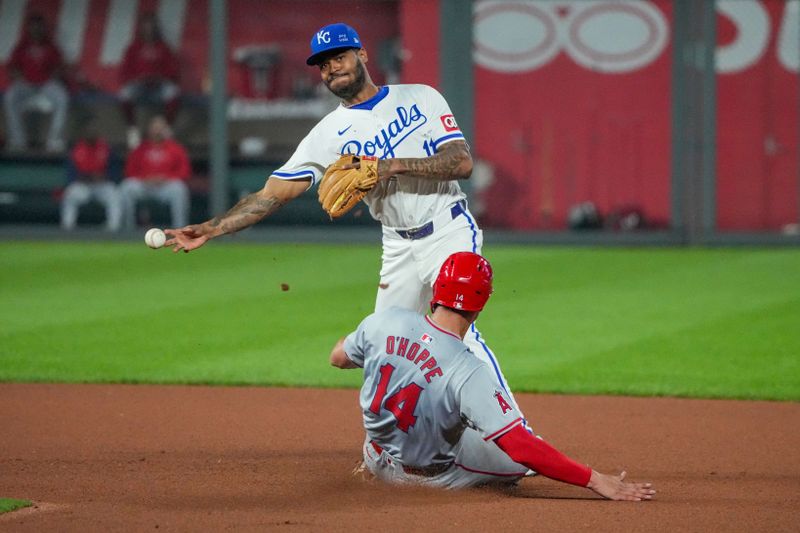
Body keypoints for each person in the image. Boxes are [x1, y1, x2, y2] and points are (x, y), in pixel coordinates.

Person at [164, 22, 525, 421]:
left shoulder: (421, 97)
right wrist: (212, 228)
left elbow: (462, 162)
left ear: (362, 55)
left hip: (447, 227)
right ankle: (399, 445)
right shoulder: (327, 135)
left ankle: (513, 432)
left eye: (339, 57)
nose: (332, 68)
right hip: (397, 245)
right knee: (388, 348)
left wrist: (386, 166)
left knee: (457, 333)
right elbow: (270, 195)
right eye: (323, 65)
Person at [329, 252, 656, 499]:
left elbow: (339, 357)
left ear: (436, 291)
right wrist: (599, 481)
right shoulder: (468, 370)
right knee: (521, 461)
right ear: (481, 304)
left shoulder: (384, 322)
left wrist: (383, 348)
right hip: (425, 478)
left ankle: (373, 463)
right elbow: (521, 448)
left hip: (377, 456)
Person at [3, 14, 69, 152]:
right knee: (10, 97)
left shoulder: (51, 46)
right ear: (29, 29)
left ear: (43, 29)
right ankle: (18, 141)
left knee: (62, 97)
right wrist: (18, 76)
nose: (37, 29)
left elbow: (59, 66)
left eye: (39, 27)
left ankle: (54, 141)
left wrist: (55, 75)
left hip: (46, 84)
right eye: (33, 27)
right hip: (26, 83)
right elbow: (12, 67)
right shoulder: (21, 47)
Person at [118, 13, 180, 148]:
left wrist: (160, 78)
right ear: (141, 29)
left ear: (156, 30)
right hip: (140, 87)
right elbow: (125, 72)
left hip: (158, 86)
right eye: (146, 28)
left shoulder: (163, 47)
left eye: (151, 28)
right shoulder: (133, 48)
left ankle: (166, 129)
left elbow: (173, 71)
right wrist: (137, 79)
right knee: (124, 93)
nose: (149, 31)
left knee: (173, 92)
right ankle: (132, 130)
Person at [119, 115, 191, 229]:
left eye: (160, 128)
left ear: (165, 130)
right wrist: (144, 179)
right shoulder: (140, 149)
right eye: (154, 128)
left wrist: (166, 178)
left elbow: (184, 172)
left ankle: (179, 230)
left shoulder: (175, 148)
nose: (157, 132)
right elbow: (129, 171)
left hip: (165, 187)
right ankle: (128, 228)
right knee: (126, 187)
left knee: (179, 189)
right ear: (149, 130)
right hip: (144, 186)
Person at [60, 121, 121, 231]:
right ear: (83, 133)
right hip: (82, 186)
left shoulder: (106, 148)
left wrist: (104, 176)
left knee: (114, 195)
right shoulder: (76, 149)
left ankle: (113, 228)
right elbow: (70, 174)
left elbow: (115, 171)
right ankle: (67, 227)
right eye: (88, 131)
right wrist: (85, 177)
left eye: (93, 131)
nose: (91, 133)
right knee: (70, 195)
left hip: (102, 185)